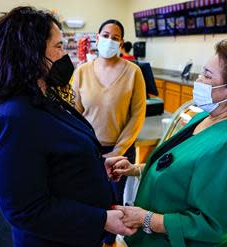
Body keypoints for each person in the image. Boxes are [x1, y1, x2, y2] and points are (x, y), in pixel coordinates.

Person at [0, 7, 136, 247]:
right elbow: (25, 209)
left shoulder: (44, 96)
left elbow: (55, 159)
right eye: (59, 47)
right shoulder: (11, 119)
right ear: (31, 53)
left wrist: (96, 163)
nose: (65, 55)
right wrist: (101, 219)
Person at [111, 40, 227, 247]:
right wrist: (136, 169)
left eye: (207, 75)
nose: (199, 80)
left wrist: (147, 219)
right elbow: (182, 167)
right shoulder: (205, 117)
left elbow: (214, 225)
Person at [72, 19, 146, 246]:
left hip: (120, 152)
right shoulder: (82, 72)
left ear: (122, 43)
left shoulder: (133, 72)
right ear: (97, 36)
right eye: (106, 35)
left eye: (115, 38)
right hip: (88, 150)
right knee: (87, 198)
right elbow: (74, 113)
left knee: (114, 202)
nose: (109, 41)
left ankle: (109, 242)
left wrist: (117, 150)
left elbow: (137, 115)